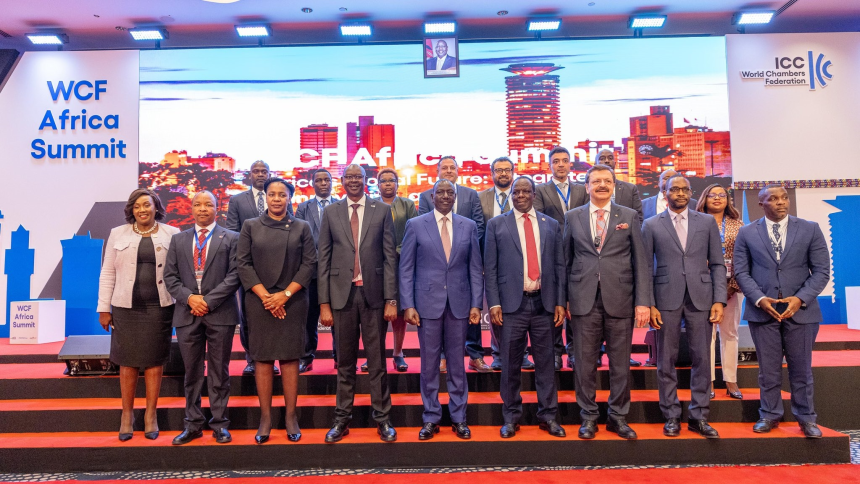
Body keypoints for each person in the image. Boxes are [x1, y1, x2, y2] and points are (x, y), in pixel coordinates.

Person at [733, 184, 830, 439]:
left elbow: (821, 271)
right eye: (773, 199)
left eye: (784, 198)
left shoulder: (810, 228)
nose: (781, 202)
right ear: (761, 203)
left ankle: (807, 419)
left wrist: (800, 299)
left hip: (801, 312)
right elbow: (741, 272)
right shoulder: (747, 232)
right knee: (768, 369)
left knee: (801, 369)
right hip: (763, 312)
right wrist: (759, 298)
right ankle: (769, 414)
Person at [564, 165, 650, 440]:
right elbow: (564, 261)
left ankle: (617, 417)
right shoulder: (572, 217)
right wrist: (563, 299)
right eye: (596, 181)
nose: (602, 185)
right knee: (584, 363)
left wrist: (643, 301)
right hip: (582, 300)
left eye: (607, 181)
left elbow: (641, 261)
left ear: (614, 186)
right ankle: (588, 417)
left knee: (620, 363)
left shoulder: (629, 216)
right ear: (586, 187)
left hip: (621, 299)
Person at [318, 164, 399, 443]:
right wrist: (324, 303)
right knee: (345, 362)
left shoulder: (382, 211)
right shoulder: (330, 212)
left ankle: (383, 419)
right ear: (342, 181)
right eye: (349, 177)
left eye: (358, 177)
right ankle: (341, 420)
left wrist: (391, 299)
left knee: (377, 362)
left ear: (366, 181)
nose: (354, 181)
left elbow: (390, 258)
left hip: (374, 297)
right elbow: (324, 261)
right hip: (342, 297)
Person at [642, 174, 726, 439]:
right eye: (674, 189)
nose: (679, 193)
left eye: (684, 189)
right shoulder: (651, 224)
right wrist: (650, 303)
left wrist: (719, 299)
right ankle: (671, 415)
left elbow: (718, 263)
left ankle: (699, 416)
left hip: (702, 297)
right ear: (664, 192)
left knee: (702, 358)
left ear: (691, 193)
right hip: (665, 298)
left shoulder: (706, 222)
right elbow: (644, 267)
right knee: (665, 359)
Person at [400, 178, 483, 440]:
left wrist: (476, 304)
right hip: (426, 305)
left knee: (457, 365)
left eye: (450, 192)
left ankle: (459, 418)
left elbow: (474, 268)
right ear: (431, 196)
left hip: (459, 305)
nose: (446, 196)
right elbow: (406, 269)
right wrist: (408, 304)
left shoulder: (468, 226)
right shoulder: (415, 225)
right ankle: (431, 417)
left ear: (455, 197)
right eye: (440, 192)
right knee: (429, 364)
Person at [486, 177, 567, 438]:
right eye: (516, 191)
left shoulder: (551, 224)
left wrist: (559, 302)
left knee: (546, 364)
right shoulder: (496, 224)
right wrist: (495, 302)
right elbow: (491, 268)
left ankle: (549, 416)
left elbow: (559, 267)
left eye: (526, 191)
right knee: (510, 364)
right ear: (511, 195)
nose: (520, 195)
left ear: (534, 194)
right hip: (511, 306)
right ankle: (511, 416)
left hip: (544, 304)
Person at [237, 178, 316, 444]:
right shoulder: (250, 226)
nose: (277, 199)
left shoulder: (301, 227)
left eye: (282, 194)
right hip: (259, 302)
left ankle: (291, 416)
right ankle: (266, 418)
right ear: (266, 198)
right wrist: (267, 297)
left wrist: (284, 295)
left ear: (290, 198)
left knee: (290, 358)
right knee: (263, 359)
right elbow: (243, 264)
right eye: (272, 194)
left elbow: (309, 264)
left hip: (292, 300)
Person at [97, 189, 179, 441]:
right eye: (137, 206)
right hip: (125, 307)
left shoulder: (172, 234)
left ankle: (150, 415)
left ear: (156, 207)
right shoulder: (116, 234)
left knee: (155, 362)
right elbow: (108, 273)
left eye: (147, 205)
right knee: (128, 362)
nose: (142, 210)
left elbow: (177, 272)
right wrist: (103, 307)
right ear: (131, 210)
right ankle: (126, 415)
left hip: (160, 307)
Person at [163, 191, 241, 446]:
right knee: (192, 373)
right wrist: (190, 299)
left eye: (209, 204)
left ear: (217, 209)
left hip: (220, 313)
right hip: (187, 314)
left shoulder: (232, 238)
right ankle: (193, 424)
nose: (203, 209)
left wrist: (207, 301)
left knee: (219, 371)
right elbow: (170, 277)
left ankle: (220, 424)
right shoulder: (178, 239)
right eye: (198, 204)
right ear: (192, 208)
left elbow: (235, 276)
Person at [418, 156, 486, 372]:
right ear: (437, 171)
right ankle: (442, 358)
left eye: (452, 168)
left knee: (468, 314)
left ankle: (475, 356)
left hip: (464, 262)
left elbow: (479, 226)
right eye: (444, 168)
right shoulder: (426, 196)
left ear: (458, 171)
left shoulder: (470, 194)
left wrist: (463, 248)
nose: (448, 171)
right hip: (437, 266)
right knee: (440, 318)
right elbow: (424, 228)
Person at [226, 160, 288, 376]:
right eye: (256, 171)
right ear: (249, 175)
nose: (260, 175)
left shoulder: (281, 200)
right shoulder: (237, 200)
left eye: (264, 172)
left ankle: (278, 357)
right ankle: (252, 358)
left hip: (279, 269)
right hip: (249, 271)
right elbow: (232, 234)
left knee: (278, 318)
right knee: (249, 319)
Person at [534, 146, 587, 370]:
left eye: (565, 161)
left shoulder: (582, 190)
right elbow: (539, 220)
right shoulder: (540, 190)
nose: (561, 165)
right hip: (551, 253)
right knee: (554, 305)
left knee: (575, 305)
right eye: (556, 161)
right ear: (550, 165)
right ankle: (555, 352)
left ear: (570, 164)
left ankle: (574, 352)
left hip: (579, 252)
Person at [361, 167, 419, 373]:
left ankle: (398, 353)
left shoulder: (408, 204)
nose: (387, 184)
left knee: (400, 314)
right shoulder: (372, 206)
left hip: (402, 265)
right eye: (383, 181)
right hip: (377, 266)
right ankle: (373, 356)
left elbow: (414, 232)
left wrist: (397, 251)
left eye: (391, 180)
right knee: (376, 314)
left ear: (397, 184)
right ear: (377, 185)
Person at [479, 157, 534, 371]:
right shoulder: (480, 197)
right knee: (497, 311)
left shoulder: (523, 194)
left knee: (523, 310)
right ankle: (498, 353)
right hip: (492, 260)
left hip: (521, 260)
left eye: (507, 170)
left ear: (513, 172)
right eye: (498, 170)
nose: (503, 174)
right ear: (492, 173)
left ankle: (523, 355)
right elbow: (478, 231)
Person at [695, 184, 745, 400]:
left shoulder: (739, 225)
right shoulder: (694, 223)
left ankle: (731, 380)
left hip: (731, 287)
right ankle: (708, 381)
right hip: (701, 286)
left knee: (730, 333)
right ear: (704, 199)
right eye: (712, 195)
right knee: (706, 337)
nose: (717, 198)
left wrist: (733, 286)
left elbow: (744, 259)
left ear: (728, 199)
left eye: (722, 195)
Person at [294, 168, 338, 373]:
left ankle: (341, 357)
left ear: (332, 182)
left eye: (326, 180)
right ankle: (306, 356)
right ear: (312, 184)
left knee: (339, 316)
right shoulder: (303, 208)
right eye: (318, 180)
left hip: (337, 270)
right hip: (311, 270)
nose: (323, 183)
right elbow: (299, 237)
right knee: (309, 316)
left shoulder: (341, 205)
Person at [594, 149, 644, 223]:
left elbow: (638, 218)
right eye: (602, 158)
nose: (607, 161)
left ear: (615, 163)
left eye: (610, 158)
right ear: (595, 164)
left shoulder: (630, 189)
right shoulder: (587, 189)